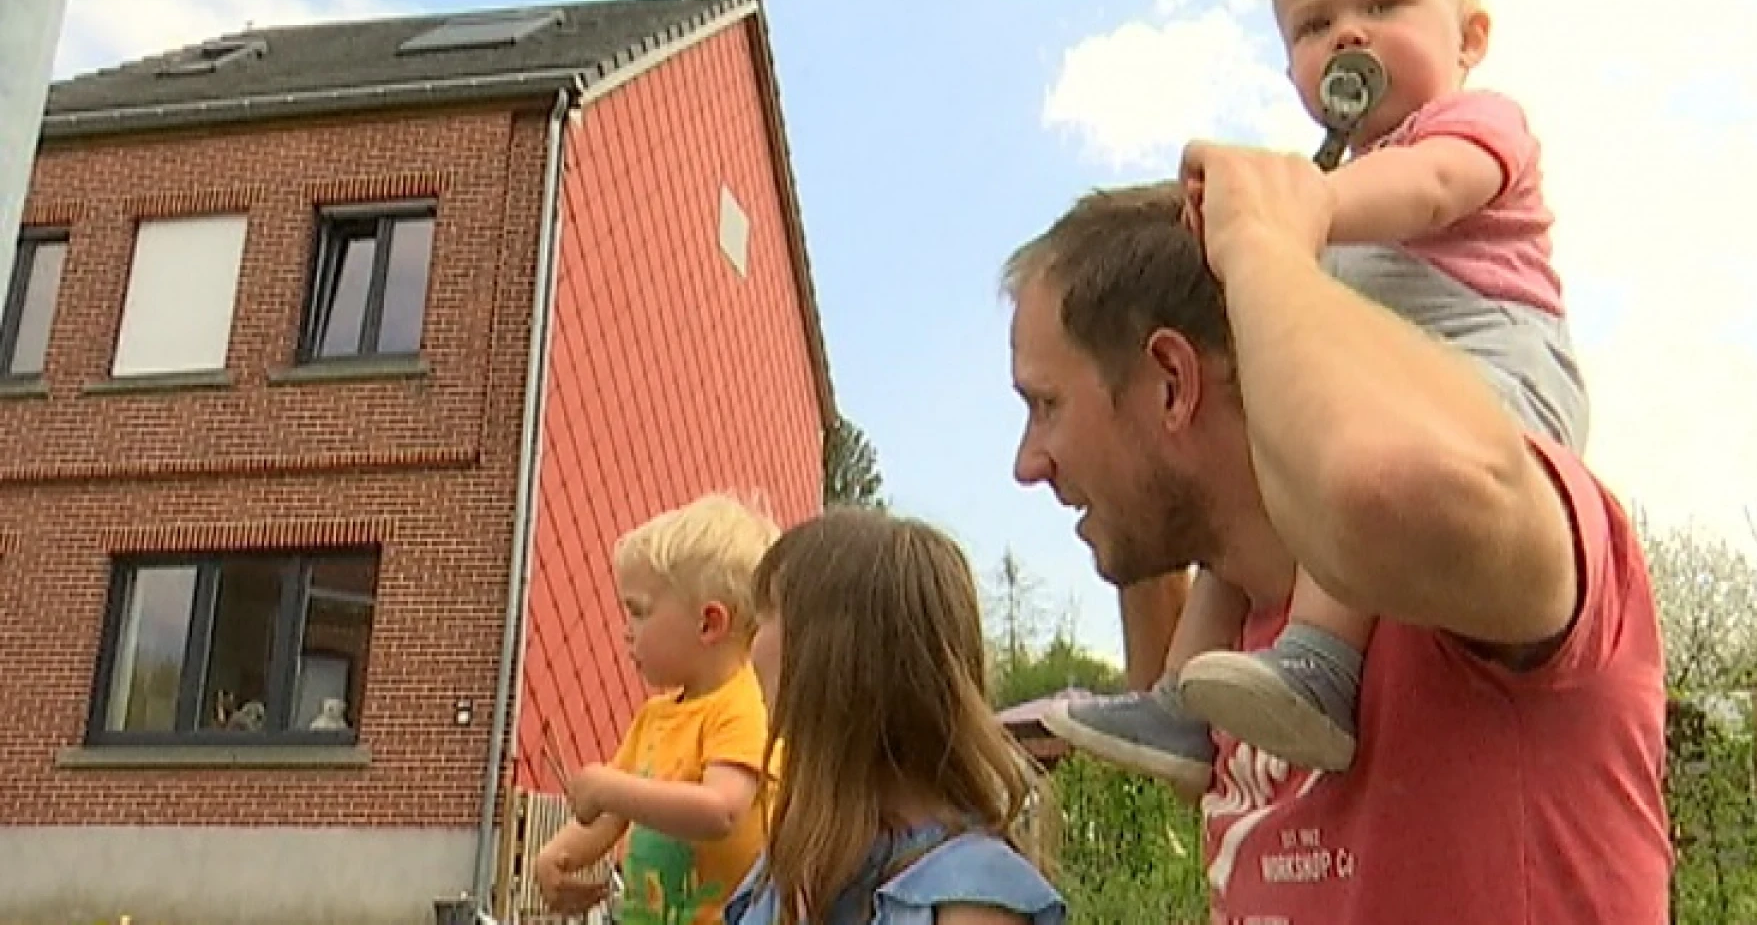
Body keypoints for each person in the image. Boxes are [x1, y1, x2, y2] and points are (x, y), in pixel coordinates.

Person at [1003, 157, 1669, 920]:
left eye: (1045, 404)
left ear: (1171, 383)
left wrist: (1262, 241)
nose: (1028, 463)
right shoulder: (1247, 644)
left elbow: (1381, 489)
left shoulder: (1469, 565)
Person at [1045, 0, 1592, 784]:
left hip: (1496, 379)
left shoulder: (1474, 124)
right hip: (1404, 382)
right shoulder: (1339, 177)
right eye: (1312, 25)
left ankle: (1320, 667)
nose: (1346, 34)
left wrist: (1283, 212)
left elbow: (1433, 191)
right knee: (1268, 475)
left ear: (1470, 38)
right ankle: (1181, 701)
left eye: (1383, 4)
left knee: (1347, 466)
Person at [724, 508, 1067, 925]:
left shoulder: (971, 896)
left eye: (766, 615)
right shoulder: (795, 858)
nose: (750, 644)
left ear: (836, 658)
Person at [533, 492, 780, 925]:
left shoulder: (744, 705)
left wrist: (608, 787)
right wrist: (558, 854)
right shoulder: (654, 718)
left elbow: (721, 810)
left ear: (709, 623)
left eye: (639, 612)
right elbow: (611, 818)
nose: (626, 631)